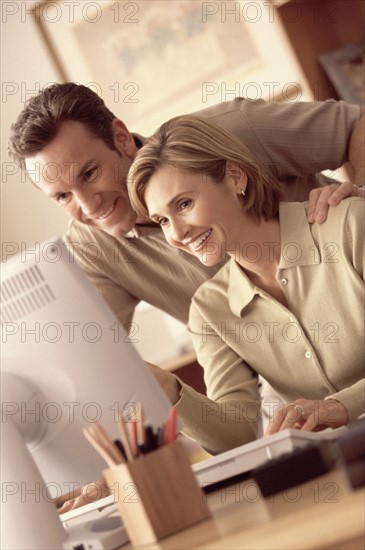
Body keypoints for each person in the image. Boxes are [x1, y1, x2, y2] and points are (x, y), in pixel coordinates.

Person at [7, 83, 364, 509]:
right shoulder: (105, 254)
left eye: (89, 174)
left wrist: (357, 197)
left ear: (121, 138)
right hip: (301, 408)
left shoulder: (229, 136)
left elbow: (354, 125)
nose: (86, 205)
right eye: (63, 196)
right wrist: (113, 470)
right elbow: (97, 375)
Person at [128, 115, 365, 455]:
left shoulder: (349, 226)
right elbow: (235, 436)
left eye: (184, 204)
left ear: (235, 177)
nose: (177, 234)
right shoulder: (209, 309)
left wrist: (341, 407)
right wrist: (171, 390)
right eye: (163, 220)